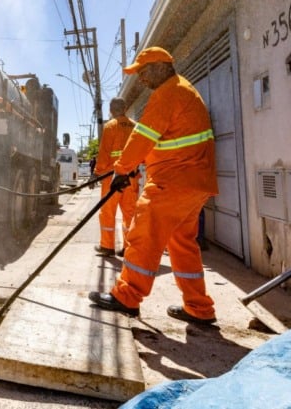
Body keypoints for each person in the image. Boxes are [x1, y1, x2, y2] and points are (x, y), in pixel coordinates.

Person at [88, 47, 219, 324]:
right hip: (195, 182)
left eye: (144, 72)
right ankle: (199, 307)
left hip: (173, 181)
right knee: (182, 243)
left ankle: (127, 296)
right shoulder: (185, 90)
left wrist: (122, 170)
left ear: (161, 66)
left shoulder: (168, 93)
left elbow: (144, 136)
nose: (142, 79)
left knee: (143, 233)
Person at [92, 97, 138, 257]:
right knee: (130, 213)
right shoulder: (135, 126)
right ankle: (129, 248)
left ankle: (107, 246)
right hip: (131, 177)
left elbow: (104, 154)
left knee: (107, 212)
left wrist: (96, 173)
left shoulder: (110, 126)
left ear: (111, 110)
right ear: (125, 108)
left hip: (112, 178)